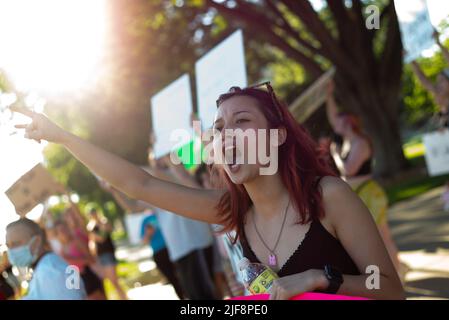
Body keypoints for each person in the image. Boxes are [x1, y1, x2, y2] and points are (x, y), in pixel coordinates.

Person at [12, 82, 404, 300]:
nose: (226, 134)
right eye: (219, 129)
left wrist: (321, 278)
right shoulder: (231, 212)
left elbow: (388, 288)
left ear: (278, 136)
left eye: (241, 120)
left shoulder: (329, 196)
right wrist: (61, 137)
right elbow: (139, 183)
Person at [326, 81, 403, 276]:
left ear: (349, 122)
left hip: (369, 194)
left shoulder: (360, 142)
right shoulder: (346, 143)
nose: (337, 124)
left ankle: (398, 276)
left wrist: (335, 155)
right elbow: (333, 117)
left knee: (383, 238)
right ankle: (391, 275)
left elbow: (350, 170)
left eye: (341, 120)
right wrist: (328, 96)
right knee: (372, 240)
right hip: (358, 195)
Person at [5, 218, 87, 300]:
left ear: (36, 241)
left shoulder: (50, 271)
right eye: (8, 246)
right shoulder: (45, 266)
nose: (11, 250)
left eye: (16, 243)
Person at [54, 220, 106, 300]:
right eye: (60, 231)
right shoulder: (62, 249)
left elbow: (91, 259)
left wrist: (71, 260)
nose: (63, 232)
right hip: (75, 281)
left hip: (87, 277)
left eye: (65, 229)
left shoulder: (77, 241)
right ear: (57, 235)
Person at [411, 30, 449, 130]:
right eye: (437, 81)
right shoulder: (441, 101)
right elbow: (423, 80)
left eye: (442, 81)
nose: (438, 85)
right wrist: (410, 59)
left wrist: (438, 42)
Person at [86, 208, 127, 300]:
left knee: (114, 281)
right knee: (111, 282)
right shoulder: (91, 226)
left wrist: (98, 229)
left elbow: (102, 237)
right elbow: (93, 240)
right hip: (99, 256)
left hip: (108, 253)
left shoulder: (103, 222)